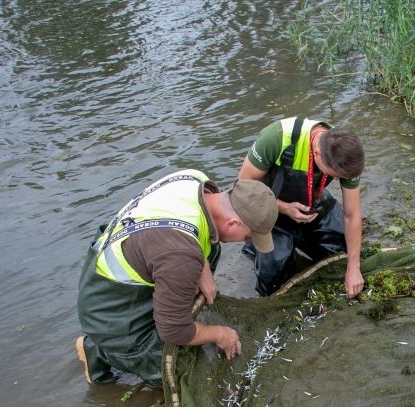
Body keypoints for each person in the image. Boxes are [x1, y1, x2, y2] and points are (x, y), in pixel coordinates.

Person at [75, 169, 278, 385]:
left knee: (213, 249)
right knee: (182, 374)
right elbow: (173, 331)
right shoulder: (181, 254)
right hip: (109, 308)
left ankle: (168, 311)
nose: (245, 242)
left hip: (128, 260)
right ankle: (100, 350)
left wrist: (203, 267)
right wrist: (220, 334)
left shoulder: (195, 179)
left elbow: (181, 230)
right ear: (233, 223)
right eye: (247, 236)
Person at [237, 116, 365, 297]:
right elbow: (242, 186)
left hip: (313, 201)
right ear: (317, 153)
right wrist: (284, 208)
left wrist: (354, 268)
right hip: (270, 205)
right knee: (274, 275)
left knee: (344, 251)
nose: (336, 179)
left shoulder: (346, 156)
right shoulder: (277, 138)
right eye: (333, 175)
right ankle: (257, 249)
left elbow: (352, 215)